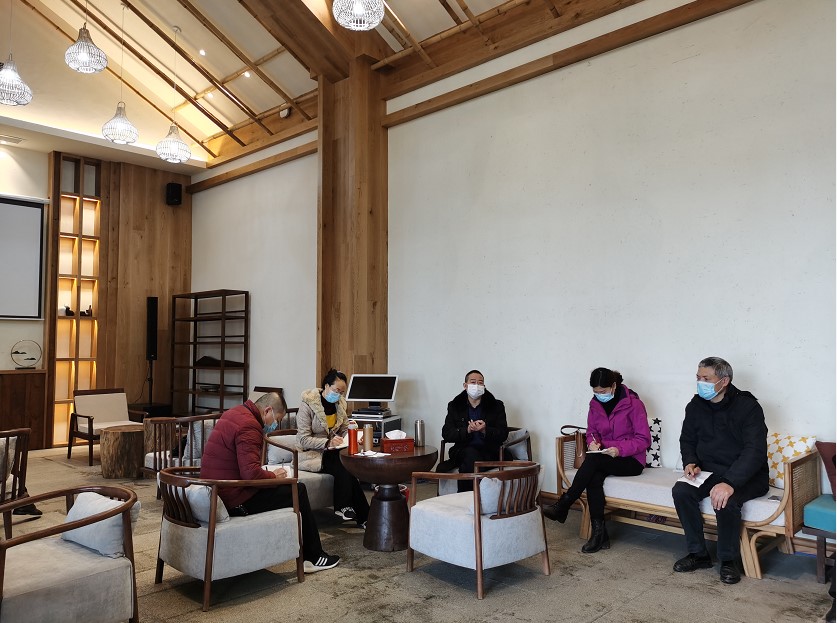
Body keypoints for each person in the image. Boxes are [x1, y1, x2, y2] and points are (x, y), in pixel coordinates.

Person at [200, 392, 340, 573]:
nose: (275, 425)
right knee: (298, 490)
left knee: (291, 488)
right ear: (267, 411)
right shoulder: (249, 425)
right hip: (234, 499)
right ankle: (313, 557)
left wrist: (269, 475)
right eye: (277, 419)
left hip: (216, 492)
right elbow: (251, 475)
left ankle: (307, 553)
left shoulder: (233, 413)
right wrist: (274, 477)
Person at [671, 357, 768, 585]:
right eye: (698, 378)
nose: (700, 383)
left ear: (724, 381)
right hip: (710, 471)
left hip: (747, 474)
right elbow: (687, 440)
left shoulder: (748, 407)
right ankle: (698, 554)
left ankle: (728, 560)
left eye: (706, 379)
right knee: (681, 490)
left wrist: (730, 482)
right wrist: (690, 462)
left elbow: (754, 451)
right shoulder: (695, 406)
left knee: (725, 499)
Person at [543, 368, 651, 553]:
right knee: (594, 476)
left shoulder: (634, 404)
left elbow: (644, 440)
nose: (599, 395)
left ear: (614, 386)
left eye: (603, 391)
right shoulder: (594, 405)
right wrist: (592, 443)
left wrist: (620, 450)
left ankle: (564, 504)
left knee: (593, 462)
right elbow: (592, 431)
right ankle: (599, 535)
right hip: (604, 456)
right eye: (595, 391)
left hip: (631, 460)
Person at [296, 369, 369, 527]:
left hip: (332, 451)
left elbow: (344, 428)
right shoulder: (308, 405)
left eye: (342, 392)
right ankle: (353, 511)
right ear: (326, 386)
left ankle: (361, 515)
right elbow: (303, 439)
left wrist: (354, 435)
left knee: (346, 463)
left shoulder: (339, 405)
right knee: (343, 463)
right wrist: (327, 443)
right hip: (311, 454)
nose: (339, 395)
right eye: (337, 390)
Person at [440, 369, 509, 492]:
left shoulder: (496, 406)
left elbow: (503, 433)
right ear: (465, 386)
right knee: (471, 456)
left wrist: (485, 430)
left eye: (480, 383)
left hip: (489, 451)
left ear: (484, 386)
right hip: (463, 450)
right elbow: (447, 433)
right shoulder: (455, 406)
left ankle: (466, 497)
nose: (477, 385)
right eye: (473, 382)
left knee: (471, 461)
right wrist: (467, 430)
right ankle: (475, 497)